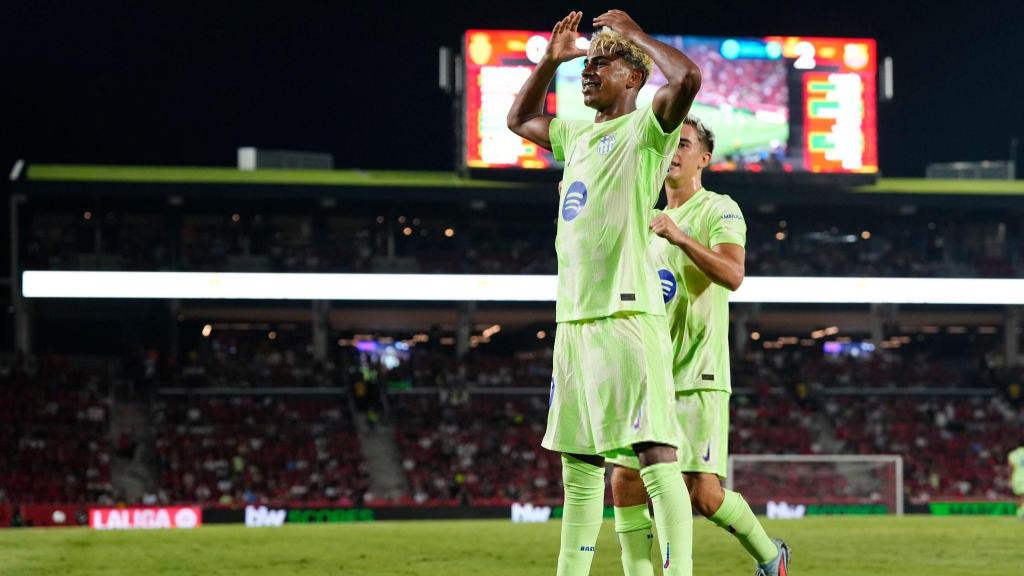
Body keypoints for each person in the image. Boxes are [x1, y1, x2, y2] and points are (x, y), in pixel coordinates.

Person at [506, 10, 701, 576]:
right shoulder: (575, 133)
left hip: (625, 313)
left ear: (634, 78)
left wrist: (634, 36)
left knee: (653, 452)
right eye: (586, 66)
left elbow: (686, 79)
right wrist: (551, 58)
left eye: (602, 64)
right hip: (574, 319)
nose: (588, 73)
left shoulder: (647, 131)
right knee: (580, 460)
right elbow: (519, 119)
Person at [609, 116, 791, 576]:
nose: (673, 151)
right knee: (625, 480)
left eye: (684, 144)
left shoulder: (719, 208)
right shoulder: (645, 217)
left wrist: (681, 236)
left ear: (703, 158)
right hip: (649, 373)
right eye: (669, 142)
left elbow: (732, 275)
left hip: (698, 373)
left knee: (702, 496)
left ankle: (770, 557)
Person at [1009, 444, 1024, 520]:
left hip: (1017, 478)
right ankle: (1022, 514)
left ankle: (1019, 513)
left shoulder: (1013, 454)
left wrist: (1010, 479)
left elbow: (1011, 468)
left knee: (1019, 496)